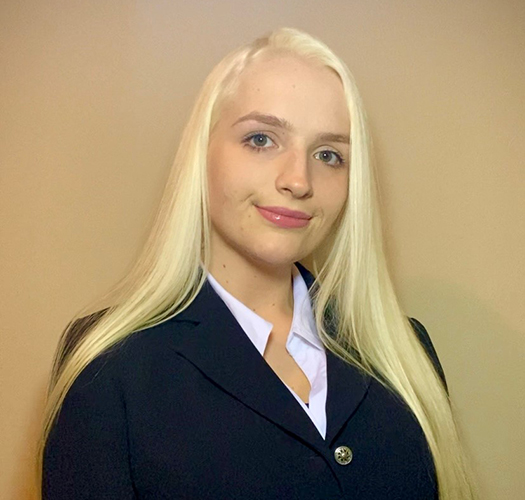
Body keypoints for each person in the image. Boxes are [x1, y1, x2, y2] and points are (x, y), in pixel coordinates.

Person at [37, 27, 474, 499]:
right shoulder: (109, 365)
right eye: (261, 139)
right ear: (202, 154)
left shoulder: (406, 352)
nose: (298, 180)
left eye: (329, 155)